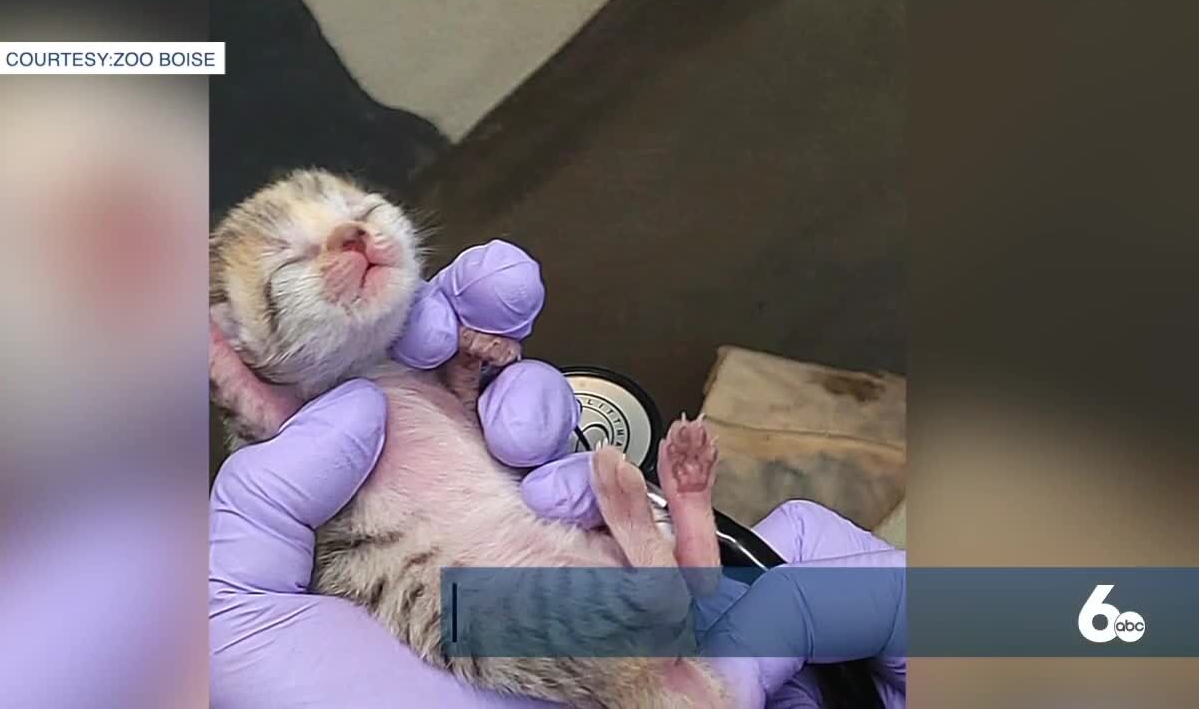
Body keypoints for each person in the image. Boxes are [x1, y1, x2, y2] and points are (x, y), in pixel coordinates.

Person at [209, 242, 906, 708]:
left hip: (522, 602)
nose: (352, 242)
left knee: (671, 606)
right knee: (679, 604)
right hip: (531, 605)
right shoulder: (293, 411)